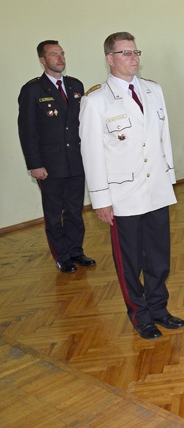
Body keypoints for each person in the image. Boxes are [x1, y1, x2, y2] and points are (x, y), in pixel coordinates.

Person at [79, 32, 183, 340]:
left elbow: (163, 137)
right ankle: (140, 316)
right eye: (125, 53)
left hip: (157, 190)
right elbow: (92, 153)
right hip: (123, 194)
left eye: (135, 51)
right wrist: (100, 199)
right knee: (130, 261)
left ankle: (159, 308)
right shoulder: (96, 100)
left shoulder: (153, 90)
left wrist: (170, 177)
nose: (133, 57)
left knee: (159, 256)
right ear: (110, 59)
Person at [17, 40, 95, 273]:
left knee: (74, 210)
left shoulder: (75, 85)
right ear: (42, 60)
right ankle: (61, 256)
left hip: (76, 160)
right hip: (50, 165)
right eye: (53, 55)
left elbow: (83, 124)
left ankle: (76, 251)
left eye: (61, 54)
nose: (60, 59)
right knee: (54, 213)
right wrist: (35, 164)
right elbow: (27, 130)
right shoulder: (32, 90)